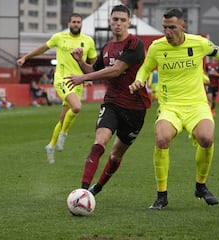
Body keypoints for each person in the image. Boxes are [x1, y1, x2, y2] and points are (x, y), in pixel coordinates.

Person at [128, 8, 219, 210]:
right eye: (165, 27)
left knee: (207, 138)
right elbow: (145, 68)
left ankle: (201, 186)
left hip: (197, 106)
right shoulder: (157, 47)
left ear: (183, 26)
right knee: (162, 138)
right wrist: (139, 80)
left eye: (172, 27)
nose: (167, 31)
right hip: (170, 106)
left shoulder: (199, 43)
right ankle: (161, 195)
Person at [66, 4, 151, 196]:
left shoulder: (134, 44)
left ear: (129, 22)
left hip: (135, 108)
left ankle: (98, 188)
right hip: (112, 103)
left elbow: (115, 70)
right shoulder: (107, 47)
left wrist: (82, 78)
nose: (118, 23)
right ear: (109, 22)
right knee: (99, 142)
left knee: (115, 155)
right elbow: (95, 71)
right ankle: (83, 192)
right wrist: (81, 63)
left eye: (122, 20)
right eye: (115, 20)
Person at [17, 13, 97, 164]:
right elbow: (42, 48)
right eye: (73, 22)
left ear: (81, 24)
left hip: (77, 82)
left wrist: (88, 78)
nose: (76, 24)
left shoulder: (88, 41)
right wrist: (26, 57)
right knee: (77, 107)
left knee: (63, 118)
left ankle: (51, 145)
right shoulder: (59, 37)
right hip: (62, 79)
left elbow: (93, 64)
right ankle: (64, 135)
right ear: (68, 23)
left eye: (78, 22)